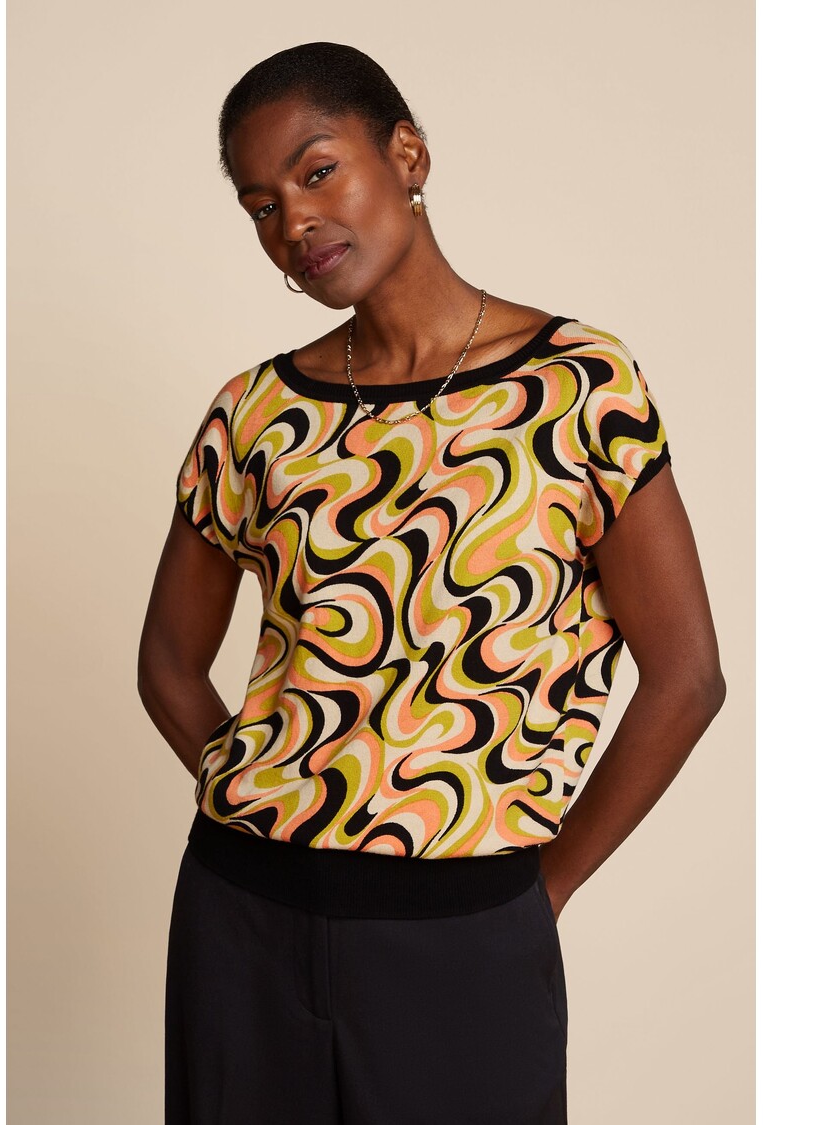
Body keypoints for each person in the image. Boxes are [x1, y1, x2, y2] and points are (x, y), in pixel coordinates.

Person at [137, 41, 726, 1125]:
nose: (294, 221)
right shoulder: (255, 413)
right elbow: (168, 664)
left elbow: (688, 674)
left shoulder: (579, 387)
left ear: (405, 153)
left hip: (465, 933)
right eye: (261, 205)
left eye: (317, 171)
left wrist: (540, 887)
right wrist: (264, 790)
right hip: (241, 918)